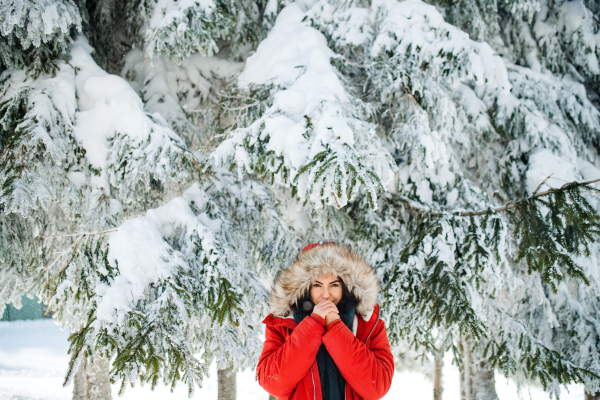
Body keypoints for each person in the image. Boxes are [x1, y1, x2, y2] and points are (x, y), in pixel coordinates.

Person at [257, 242, 394, 400]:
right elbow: (272, 383)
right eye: (318, 285)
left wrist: (336, 327)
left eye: (334, 285)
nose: (326, 295)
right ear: (306, 287)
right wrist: (313, 324)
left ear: (346, 286)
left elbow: (377, 387)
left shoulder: (368, 323)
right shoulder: (283, 324)